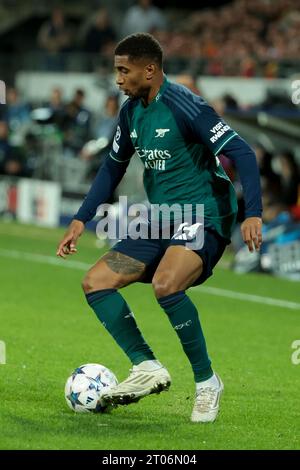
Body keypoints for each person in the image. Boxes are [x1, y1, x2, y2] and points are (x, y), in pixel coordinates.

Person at [57, 33, 262, 423]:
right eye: (116, 70)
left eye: (124, 70)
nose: (118, 79)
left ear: (149, 70)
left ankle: (206, 383)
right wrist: (81, 218)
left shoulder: (187, 106)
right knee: (95, 281)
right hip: (162, 218)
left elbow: (243, 153)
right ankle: (146, 366)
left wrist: (253, 212)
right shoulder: (131, 111)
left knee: (167, 284)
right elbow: (112, 167)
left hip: (205, 214)